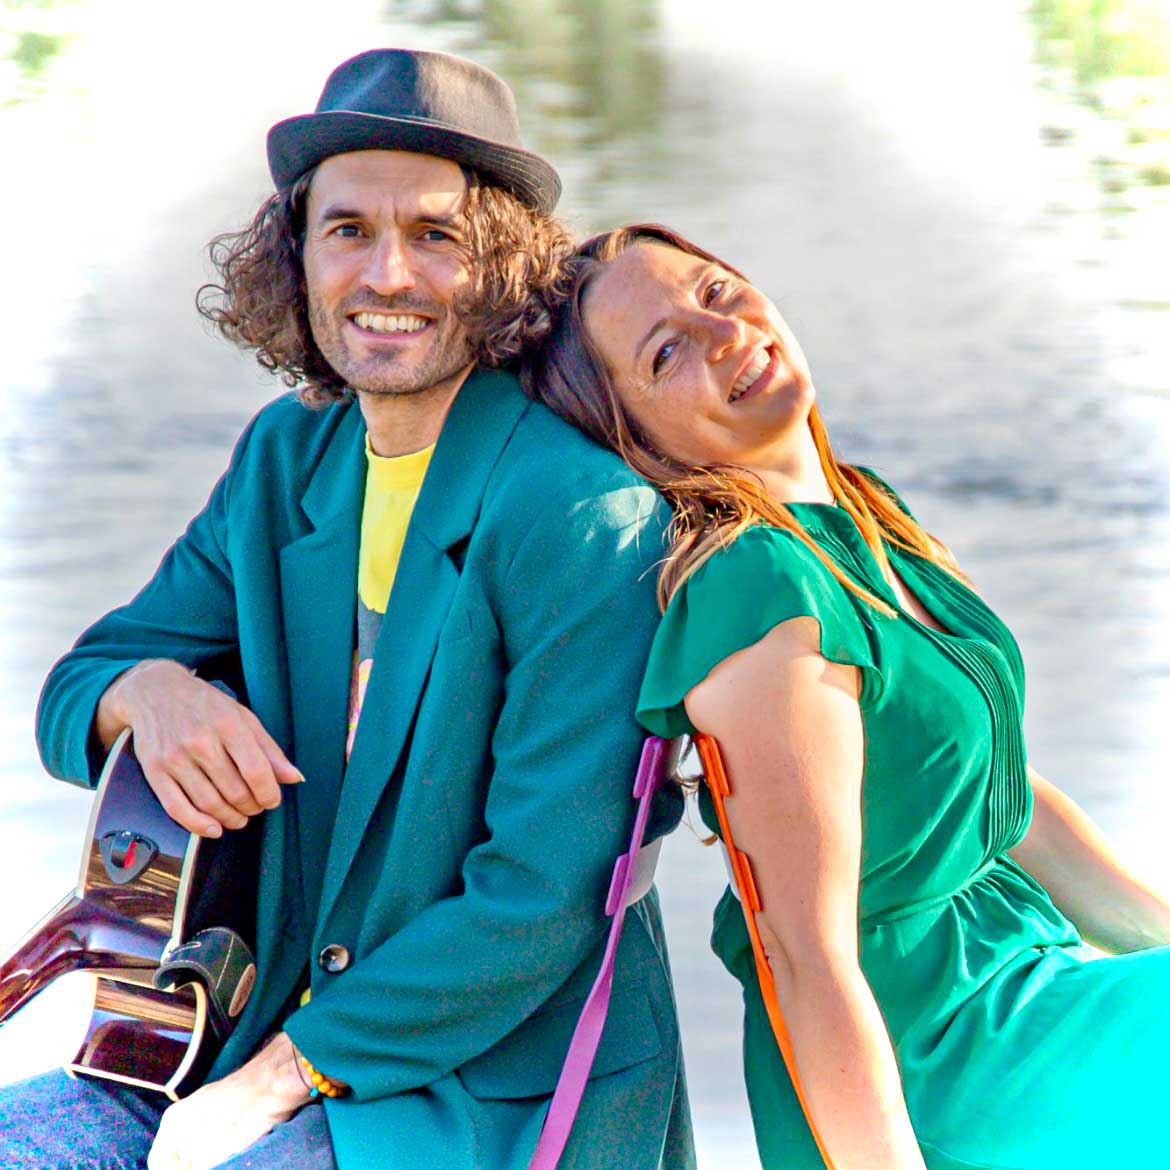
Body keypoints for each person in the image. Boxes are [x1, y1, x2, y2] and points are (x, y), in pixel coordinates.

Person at [5, 57, 695, 1170]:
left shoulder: (580, 515)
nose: (388, 274)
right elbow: (78, 689)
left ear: (505, 266)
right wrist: (152, 694)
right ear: (297, 255)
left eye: (436, 235)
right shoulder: (288, 458)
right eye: (348, 231)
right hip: (231, 1039)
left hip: (485, 1085)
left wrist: (275, 1082)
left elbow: (542, 894)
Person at [520, 222, 1170, 1170]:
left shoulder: (869, 514)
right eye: (668, 353)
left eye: (715, 291)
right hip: (931, 1058)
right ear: (635, 437)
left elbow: (1008, 804)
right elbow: (803, 951)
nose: (725, 334)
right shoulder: (759, 588)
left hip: (1030, 983)